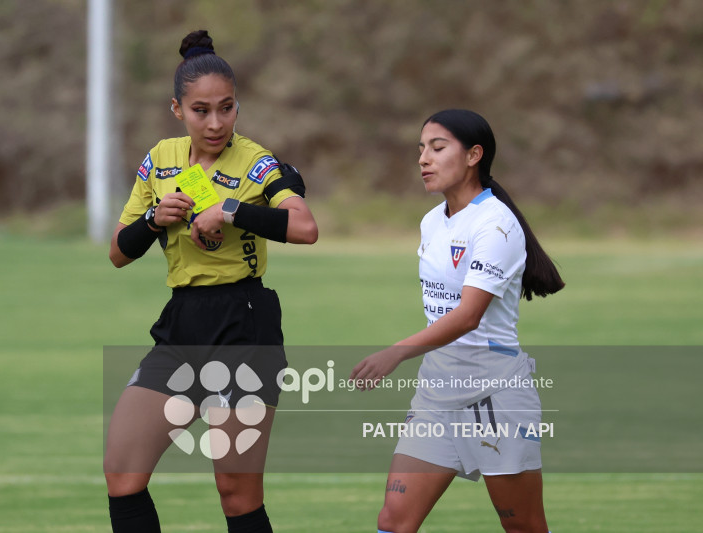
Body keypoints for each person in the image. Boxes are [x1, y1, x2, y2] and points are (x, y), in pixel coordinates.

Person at [104, 30, 318, 533]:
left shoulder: (257, 162)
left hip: (244, 326)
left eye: (227, 108)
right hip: (181, 326)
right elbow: (118, 251)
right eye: (202, 110)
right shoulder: (161, 160)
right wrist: (156, 218)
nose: (216, 122)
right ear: (177, 109)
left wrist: (232, 210)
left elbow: (305, 227)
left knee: (237, 494)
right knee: (122, 473)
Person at [350, 109, 564, 533]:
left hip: (496, 396)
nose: (423, 159)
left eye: (437, 147)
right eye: (421, 149)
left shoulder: (497, 225)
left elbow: (467, 317)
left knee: (524, 526)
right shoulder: (432, 222)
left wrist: (396, 353)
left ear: (473, 155)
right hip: (436, 394)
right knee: (393, 521)